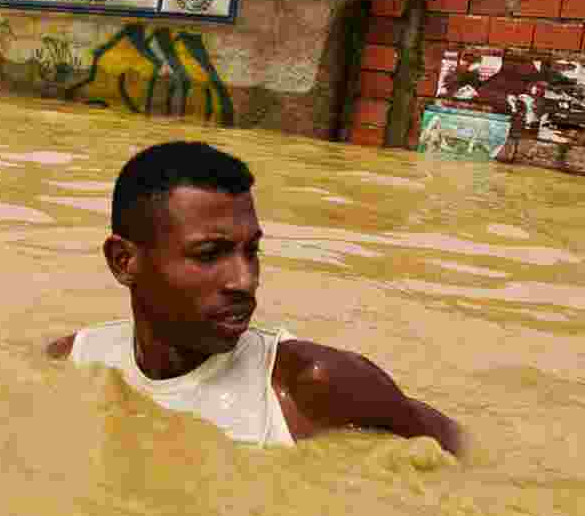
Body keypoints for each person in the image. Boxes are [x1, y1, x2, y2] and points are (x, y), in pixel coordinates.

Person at [47, 141, 465, 457]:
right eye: (210, 254)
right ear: (124, 261)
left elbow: (463, 457)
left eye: (252, 251)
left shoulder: (314, 386)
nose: (245, 281)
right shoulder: (75, 361)